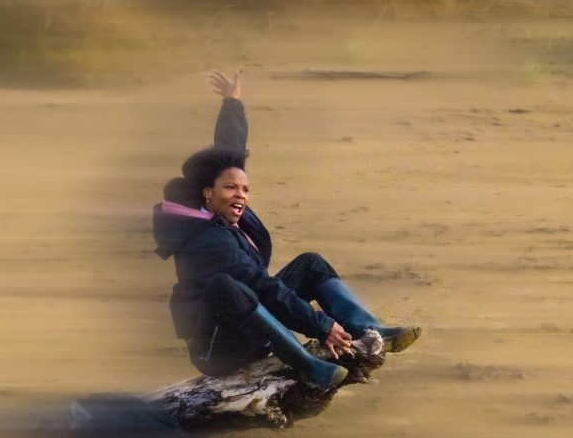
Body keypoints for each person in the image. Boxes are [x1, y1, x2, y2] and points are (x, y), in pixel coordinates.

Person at [152, 71, 420, 391]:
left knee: (310, 264)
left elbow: (230, 152)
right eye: (230, 188)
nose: (241, 194)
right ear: (207, 192)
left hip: (254, 325)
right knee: (226, 286)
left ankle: (368, 328)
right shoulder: (205, 241)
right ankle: (308, 368)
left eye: (245, 188)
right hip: (220, 350)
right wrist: (321, 327)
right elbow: (263, 288)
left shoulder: (221, 207)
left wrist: (232, 102)